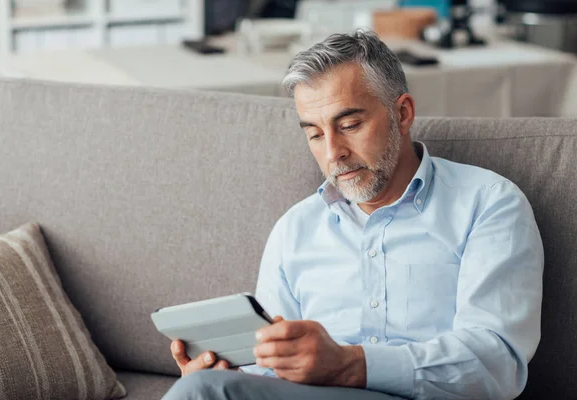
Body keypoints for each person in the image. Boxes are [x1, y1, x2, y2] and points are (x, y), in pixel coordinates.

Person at [162, 30, 544, 400]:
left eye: (349, 125)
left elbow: (498, 363)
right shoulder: (295, 228)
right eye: (314, 134)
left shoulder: (489, 204)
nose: (333, 152)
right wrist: (231, 375)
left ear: (403, 113)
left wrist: (350, 365)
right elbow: (269, 368)